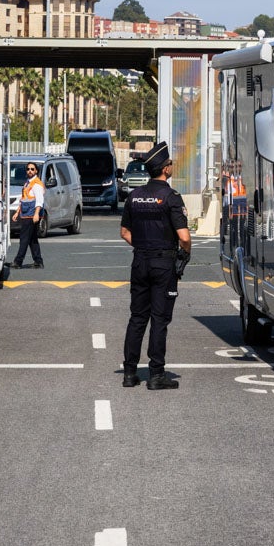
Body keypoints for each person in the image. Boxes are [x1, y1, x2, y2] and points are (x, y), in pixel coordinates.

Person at [119, 142, 191, 390]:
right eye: (170, 163)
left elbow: (124, 232)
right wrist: (184, 255)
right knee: (159, 319)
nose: (171, 166)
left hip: (140, 260)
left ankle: (129, 373)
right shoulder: (171, 198)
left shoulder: (134, 196)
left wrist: (143, 246)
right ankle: (156, 374)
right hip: (163, 263)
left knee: (137, 317)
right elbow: (184, 237)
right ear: (165, 169)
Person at [10, 160, 45, 269]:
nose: (30, 171)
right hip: (26, 213)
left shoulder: (37, 184)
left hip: (31, 215)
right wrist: (17, 212)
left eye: (32, 169)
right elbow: (24, 199)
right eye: (28, 169)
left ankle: (18, 262)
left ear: (36, 171)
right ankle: (38, 261)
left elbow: (40, 201)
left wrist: (36, 214)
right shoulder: (27, 183)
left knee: (24, 238)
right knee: (32, 239)